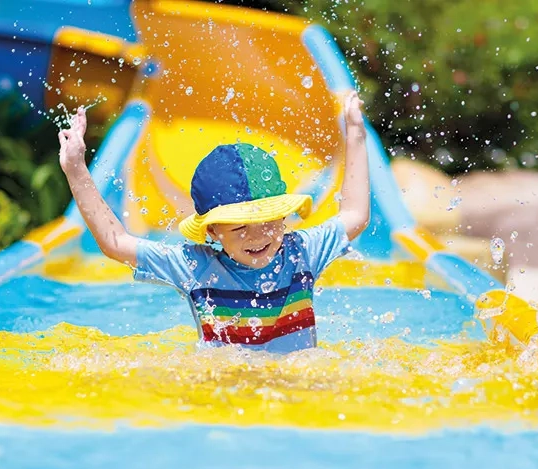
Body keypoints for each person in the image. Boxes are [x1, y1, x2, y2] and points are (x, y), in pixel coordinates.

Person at [58, 90, 370, 353]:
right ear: (213, 231)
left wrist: (355, 134)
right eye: (239, 227)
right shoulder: (196, 267)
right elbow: (116, 243)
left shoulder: (302, 253)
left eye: (268, 221)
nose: (258, 236)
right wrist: (76, 169)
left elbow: (355, 215)